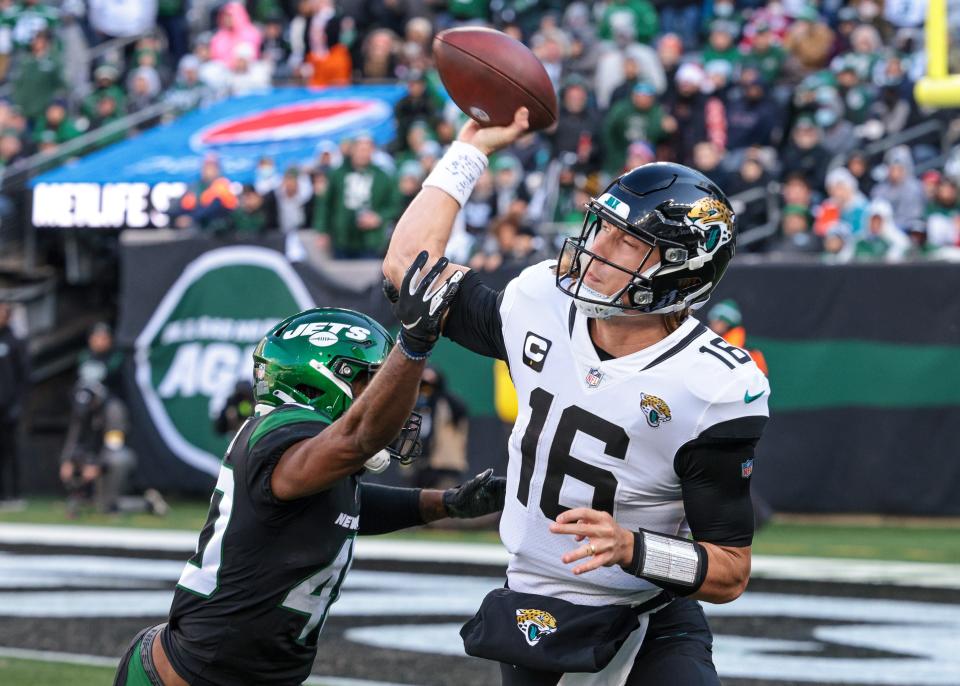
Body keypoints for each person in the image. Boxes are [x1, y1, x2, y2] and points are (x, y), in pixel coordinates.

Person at [383, 108, 769, 685]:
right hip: (535, 609)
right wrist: (469, 149)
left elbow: (731, 572)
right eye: (603, 226)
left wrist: (634, 548)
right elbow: (405, 270)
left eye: (627, 241)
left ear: (680, 270)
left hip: (649, 616)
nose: (599, 247)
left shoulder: (710, 386)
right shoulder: (541, 301)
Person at [112, 265, 507, 686]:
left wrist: (447, 503)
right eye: (371, 383)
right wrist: (413, 343)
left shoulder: (307, 455)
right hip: (197, 675)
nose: (389, 398)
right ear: (323, 378)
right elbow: (356, 439)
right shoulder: (282, 431)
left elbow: (351, 505)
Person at [0, 299, 28, 507]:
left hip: (8, 408)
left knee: (10, 450)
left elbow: (24, 375)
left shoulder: (15, 342)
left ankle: (14, 493)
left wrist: (18, 403)